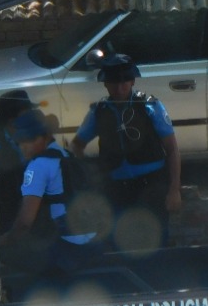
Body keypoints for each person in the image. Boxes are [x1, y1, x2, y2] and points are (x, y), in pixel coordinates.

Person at [71, 53, 181, 251]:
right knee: (119, 241)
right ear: (105, 84)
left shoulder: (150, 106)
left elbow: (172, 149)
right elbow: (77, 144)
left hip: (152, 185)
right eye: (113, 83)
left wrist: (174, 189)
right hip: (116, 188)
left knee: (156, 240)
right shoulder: (99, 111)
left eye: (124, 83)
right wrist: (91, 171)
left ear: (132, 81)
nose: (119, 88)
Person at [0, 109, 99, 276]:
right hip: (93, 244)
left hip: (67, 250)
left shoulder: (38, 165)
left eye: (30, 140)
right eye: (21, 141)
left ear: (45, 137)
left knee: (6, 256)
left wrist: (4, 241)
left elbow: (24, 223)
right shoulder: (67, 155)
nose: (24, 146)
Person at [0, 89, 39, 231]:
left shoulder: (38, 138)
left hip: (37, 213)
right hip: (5, 216)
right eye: (26, 114)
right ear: (12, 120)